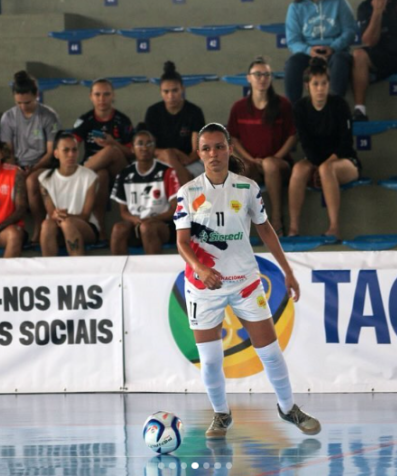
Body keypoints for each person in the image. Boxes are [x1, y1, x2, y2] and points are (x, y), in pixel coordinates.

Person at [174, 122, 321, 439]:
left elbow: (266, 231)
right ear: (198, 153)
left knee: (270, 352)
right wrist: (200, 268)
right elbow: (182, 242)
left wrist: (288, 271)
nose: (213, 153)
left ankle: (288, 408)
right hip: (203, 287)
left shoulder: (248, 188)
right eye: (206, 148)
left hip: (245, 283)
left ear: (229, 149)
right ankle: (221, 415)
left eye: (219, 146)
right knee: (211, 361)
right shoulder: (188, 193)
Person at [289, 58, 361, 239]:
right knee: (298, 169)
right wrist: (315, 167)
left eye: (324, 83)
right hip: (314, 160)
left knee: (326, 169)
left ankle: (334, 227)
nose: (320, 88)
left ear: (329, 84)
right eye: (315, 84)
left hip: (344, 160)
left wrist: (322, 168)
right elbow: (305, 143)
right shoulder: (300, 108)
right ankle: (293, 228)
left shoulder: (340, 105)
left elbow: (345, 144)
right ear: (307, 86)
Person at [226, 57, 297, 235]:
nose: (262, 78)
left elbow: (292, 136)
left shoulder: (283, 105)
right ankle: (239, 225)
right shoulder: (239, 107)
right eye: (257, 74)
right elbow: (233, 138)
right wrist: (250, 159)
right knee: (240, 169)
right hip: (252, 162)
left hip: (279, 164)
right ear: (248, 78)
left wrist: (276, 157)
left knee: (270, 165)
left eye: (266, 74)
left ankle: (276, 220)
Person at [0, 71, 61, 244]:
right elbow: (8, 151)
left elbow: (51, 152)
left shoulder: (49, 116)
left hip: (43, 164)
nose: (23, 106)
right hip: (18, 165)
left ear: (37, 96)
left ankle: (39, 226)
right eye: (19, 103)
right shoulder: (8, 117)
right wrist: (16, 168)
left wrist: (32, 169)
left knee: (31, 181)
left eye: (27, 102)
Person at [72, 78, 135, 240]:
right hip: (95, 170)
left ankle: (77, 176)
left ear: (113, 96)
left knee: (111, 151)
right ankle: (100, 229)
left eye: (106, 94)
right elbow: (72, 145)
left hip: (120, 170)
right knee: (101, 175)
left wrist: (112, 143)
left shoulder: (122, 120)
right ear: (90, 96)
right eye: (97, 94)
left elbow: (132, 153)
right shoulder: (85, 120)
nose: (102, 99)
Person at [110, 128, 179, 255]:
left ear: (154, 148)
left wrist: (153, 219)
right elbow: (123, 212)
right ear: (132, 148)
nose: (144, 148)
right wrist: (133, 219)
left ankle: (153, 273)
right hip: (136, 224)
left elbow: (174, 209)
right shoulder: (124, 174)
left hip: (162, 225)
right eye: (140, 143)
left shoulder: (167, 172)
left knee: (147, 227)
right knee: (118, 228)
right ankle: (117, 273)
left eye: (149, 143)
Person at [144, 61, 206, 185]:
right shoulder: (153, 112)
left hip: (190, 162)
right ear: (160, 92)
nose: (170, 96)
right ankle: (183, 201)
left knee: (175, 175)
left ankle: (178, 201)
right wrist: (172, 154)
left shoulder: (194, 112)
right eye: (166, 92)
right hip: (161, 159)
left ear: (182, 89)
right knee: (168, 155)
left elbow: (197, 150)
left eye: (175, 91)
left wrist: (185, 161)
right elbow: (150, 148)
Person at [39, 131, 99, 257]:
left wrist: (65, 216)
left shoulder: (89, 176)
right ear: (56, 153)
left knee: (67, 223)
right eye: (66, 150)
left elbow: (86, 215)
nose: (71, 154)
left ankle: (78, 269)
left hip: (85, 227)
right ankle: (48, 270)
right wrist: (57, 216)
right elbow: (52, 214)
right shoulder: (44, 179)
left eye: (74, 150)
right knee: (47, 224)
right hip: (57, 227)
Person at [284, 0, 357, 104]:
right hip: (308, 52)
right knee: (292, 64)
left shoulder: (339, 3)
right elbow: (292, 40)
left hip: (335, 51)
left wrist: (333, 47)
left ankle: (336, 108)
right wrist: (308, 50)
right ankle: (293, 112)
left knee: (340, 61)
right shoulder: (295, 7)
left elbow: (350, 31)